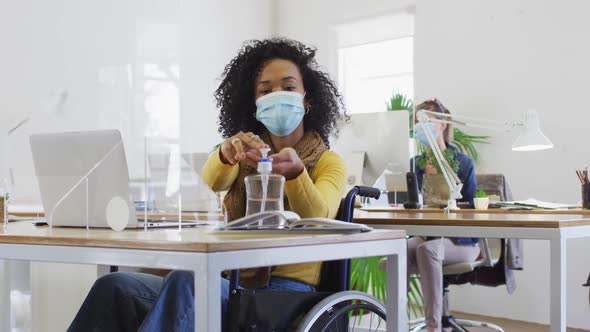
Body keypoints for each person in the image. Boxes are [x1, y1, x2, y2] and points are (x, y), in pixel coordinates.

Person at [67, 38, 347, 332]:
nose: (277, 96)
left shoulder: (330, 162)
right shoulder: (246, 154)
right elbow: (206, 186)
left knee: (189, 281)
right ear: (253, 103)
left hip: (287, 294)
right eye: (265, 90)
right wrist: (225, 156)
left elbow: (320, 217)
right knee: (115, 286)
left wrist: (296, 174)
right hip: (230, 281)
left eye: (288, 87)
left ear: (307, 99)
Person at [408, 98, 480, 332]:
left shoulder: (462, 163)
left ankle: (433, 327)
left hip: (462, 241)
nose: (421, 125)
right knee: (399, 251)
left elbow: (470, 207)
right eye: (417, 120)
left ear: (443, 124)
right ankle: (394, 319)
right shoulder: (415, 164)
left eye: (427, 119)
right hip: (426, 236)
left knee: (426, 250)